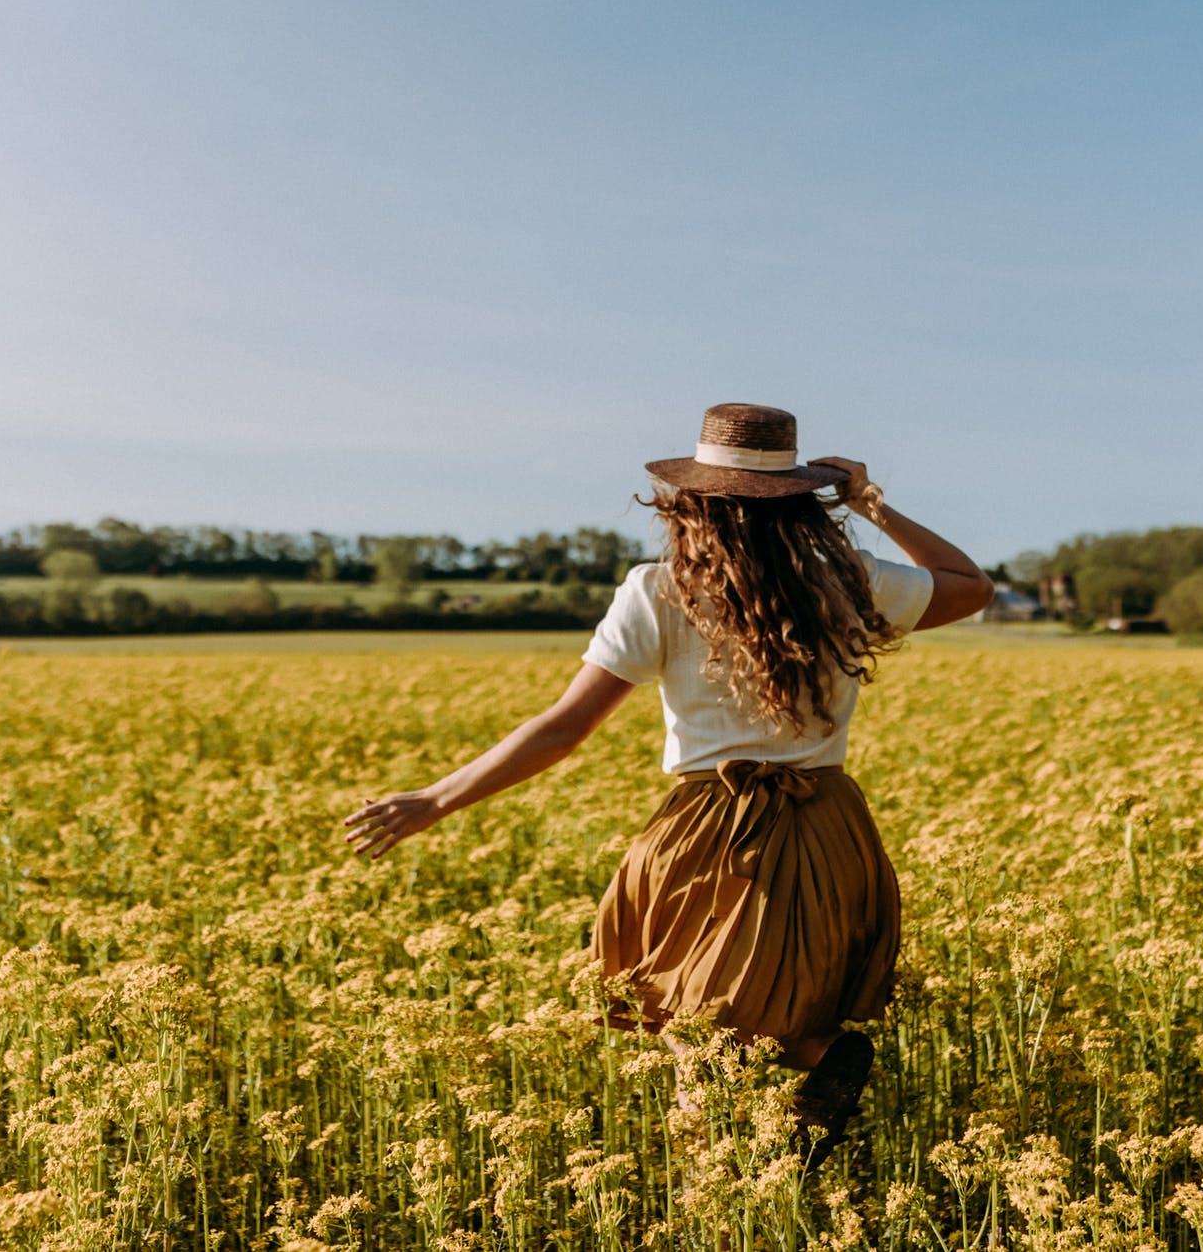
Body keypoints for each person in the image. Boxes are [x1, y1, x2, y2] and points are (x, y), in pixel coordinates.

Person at [342, 403, 992, 1159]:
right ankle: (812, 1078)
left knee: (695, 1030)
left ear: (692, 500)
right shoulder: (849, 579)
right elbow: (967, 585)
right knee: (794, 1001)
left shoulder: (659, 589)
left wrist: (434, 799)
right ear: (802, 502)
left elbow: (562, 727)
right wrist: (870, 503)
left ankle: (718, 1191)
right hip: (826, 827)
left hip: (707, 837)